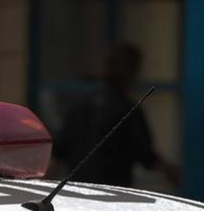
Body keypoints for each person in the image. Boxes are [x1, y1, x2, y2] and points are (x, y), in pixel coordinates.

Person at [53, 43, 179, 188]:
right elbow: (145, 155)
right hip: (111, 191)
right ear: (134, 72)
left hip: (78, 191)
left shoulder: (81, 107)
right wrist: (171, 171)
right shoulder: (128, 110)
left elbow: (58, 151)